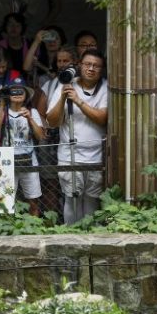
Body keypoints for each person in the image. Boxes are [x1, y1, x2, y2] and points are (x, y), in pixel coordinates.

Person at [46, 48, 108, 224]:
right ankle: (71, 235)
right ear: (80, 65)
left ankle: (90, 238)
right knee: (71, 198)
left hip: (96, 155)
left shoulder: (105, 87)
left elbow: (102, 118)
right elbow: (52, 121)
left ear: (101, 69)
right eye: (87, 64)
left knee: (91, 199)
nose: (91, 69)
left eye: (96, 66)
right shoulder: (65, 84)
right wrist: (63, 98)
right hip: (69, 154)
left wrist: (79, 101)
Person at [0, 79, 44, 216]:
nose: (16, 93)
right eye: (13, 91)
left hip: (29, 161)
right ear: (8, 94)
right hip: (6, 162)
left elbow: (40, 136)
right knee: (5, 200)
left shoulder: (33, 112)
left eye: (20, 91)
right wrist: (3, 104)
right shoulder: (0, 110)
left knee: (33, 201)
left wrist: (30, 119)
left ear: (26, 95)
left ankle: (33, 230)